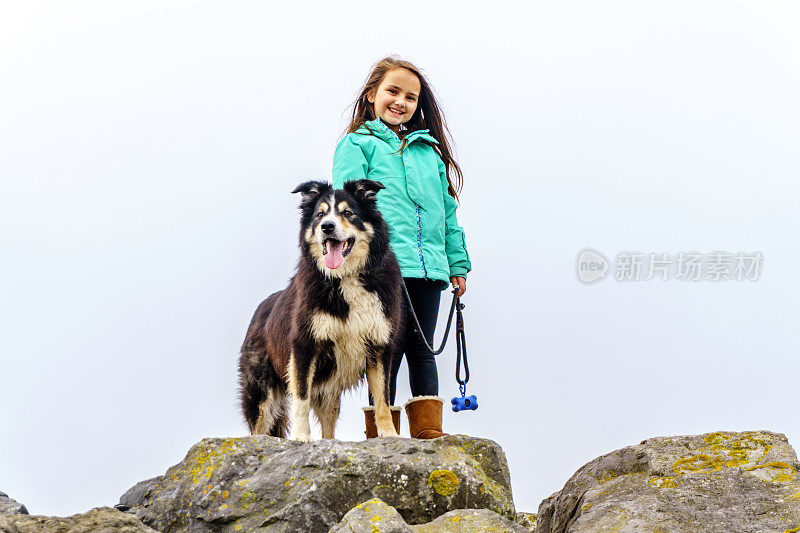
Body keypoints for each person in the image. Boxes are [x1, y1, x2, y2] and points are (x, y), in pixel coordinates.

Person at [332, 56, 471, 439]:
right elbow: (348, 205)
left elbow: (448, 214)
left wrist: (457, 265)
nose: (401, 101)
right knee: (384, 350)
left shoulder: (429, 153)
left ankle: (429, 432)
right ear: (372, 94)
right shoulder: (357, 144)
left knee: (422, 349)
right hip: (381, 268)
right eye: (393, 91)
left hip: (429, 269)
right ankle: (383, 434)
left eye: (411, 97)